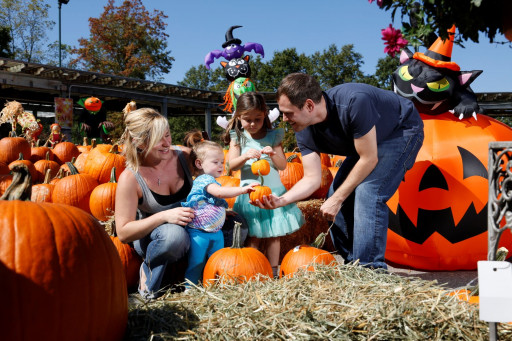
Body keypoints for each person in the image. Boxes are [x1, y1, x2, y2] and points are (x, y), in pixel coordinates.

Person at [257, 73, 424, 270]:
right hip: (366, 145)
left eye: (289, 112)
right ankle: (352, 263)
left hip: (400, 131)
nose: (284, 119)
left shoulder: (353, 102)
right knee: (334, 193)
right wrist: (281, 201)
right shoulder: (303, 128)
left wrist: (338, 198)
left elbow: (369, 159)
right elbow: (312, 178)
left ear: (309, 105)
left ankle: (370, 269)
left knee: (368, 192)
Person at [115, 107, 195, 299]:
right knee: (173, 236)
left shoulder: (184, 157)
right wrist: (164, 216)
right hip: (154, 237)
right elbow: (124, 232)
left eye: (167, 135)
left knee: (235, 226)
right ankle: (147, 285)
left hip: (191, 224)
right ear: (139, 143)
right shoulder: (130, 178)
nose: (167, 143)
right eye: (159, 138)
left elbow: (210, 182)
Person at [223, 92, 305, 277]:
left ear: (265, 115)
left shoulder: (272, 136)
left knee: (274, 234)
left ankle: (273, 270)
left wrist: (274, 154)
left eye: (257, 119)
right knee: (254, 234)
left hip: (273, 192)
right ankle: (254, 269)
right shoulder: (239, 137)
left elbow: (284, 166)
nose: (252, 124)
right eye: (247, 119)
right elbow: (230, 165)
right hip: (251, 194)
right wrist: (245, 156)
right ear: (239, 117)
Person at [181, 140, 258, 288]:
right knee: (196, 262)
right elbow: (219, 193)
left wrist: (223, 212)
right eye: (215, 162)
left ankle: (212, 286)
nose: (220, 166)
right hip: (199, 232)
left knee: (217, 261)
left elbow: (212, 202)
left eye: (222, 162)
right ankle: (190, 288)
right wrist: (243, 190)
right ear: (199, 164)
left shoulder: (213, 181)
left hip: (215, 232)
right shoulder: (204, 180)